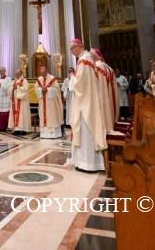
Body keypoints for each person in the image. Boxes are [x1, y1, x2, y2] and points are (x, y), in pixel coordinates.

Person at [69, 39, 107, 172]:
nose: (71, 51)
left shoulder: (84, 60)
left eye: (72, 48)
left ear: (79, 46)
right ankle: (85, 162)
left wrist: (72, 76)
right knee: (85, 131)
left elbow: (80, 83)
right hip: (87, 100)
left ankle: (87, 163)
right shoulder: (87, 59)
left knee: (85, 131)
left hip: (85, 103)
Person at [35, 65, 63, 139]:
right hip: (42, 102)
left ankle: (53, 134)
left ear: (46, 70)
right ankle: (44, 134)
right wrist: (40, 90)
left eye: (43, 70)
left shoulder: (52, 78)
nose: (42, 72)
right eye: (41, 71)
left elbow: (57, 90)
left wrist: (48, 90)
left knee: (52, 116)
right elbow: (36, 89)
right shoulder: (39, 79)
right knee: (43, 116)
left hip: (51, 102)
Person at [91, 49, 115, 132]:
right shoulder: (107, 67)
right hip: (108, 95)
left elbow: (99, 85)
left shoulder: (97, 66)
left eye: (91, 55)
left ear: (94, 56)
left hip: (101, 95)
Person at [8, 69, 31, 134]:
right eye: (16, 73)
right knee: (15, 114)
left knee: (22, 115)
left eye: (18, 73)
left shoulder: (24, 81)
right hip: (14, 101)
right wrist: (12, 88)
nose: (17, 75)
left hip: (22, 101)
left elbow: (26, 90)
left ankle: (23, 129)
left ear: (21, 73)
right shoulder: (14, 81)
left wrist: (17, 88)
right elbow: (9, 90)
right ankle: (16, 129)